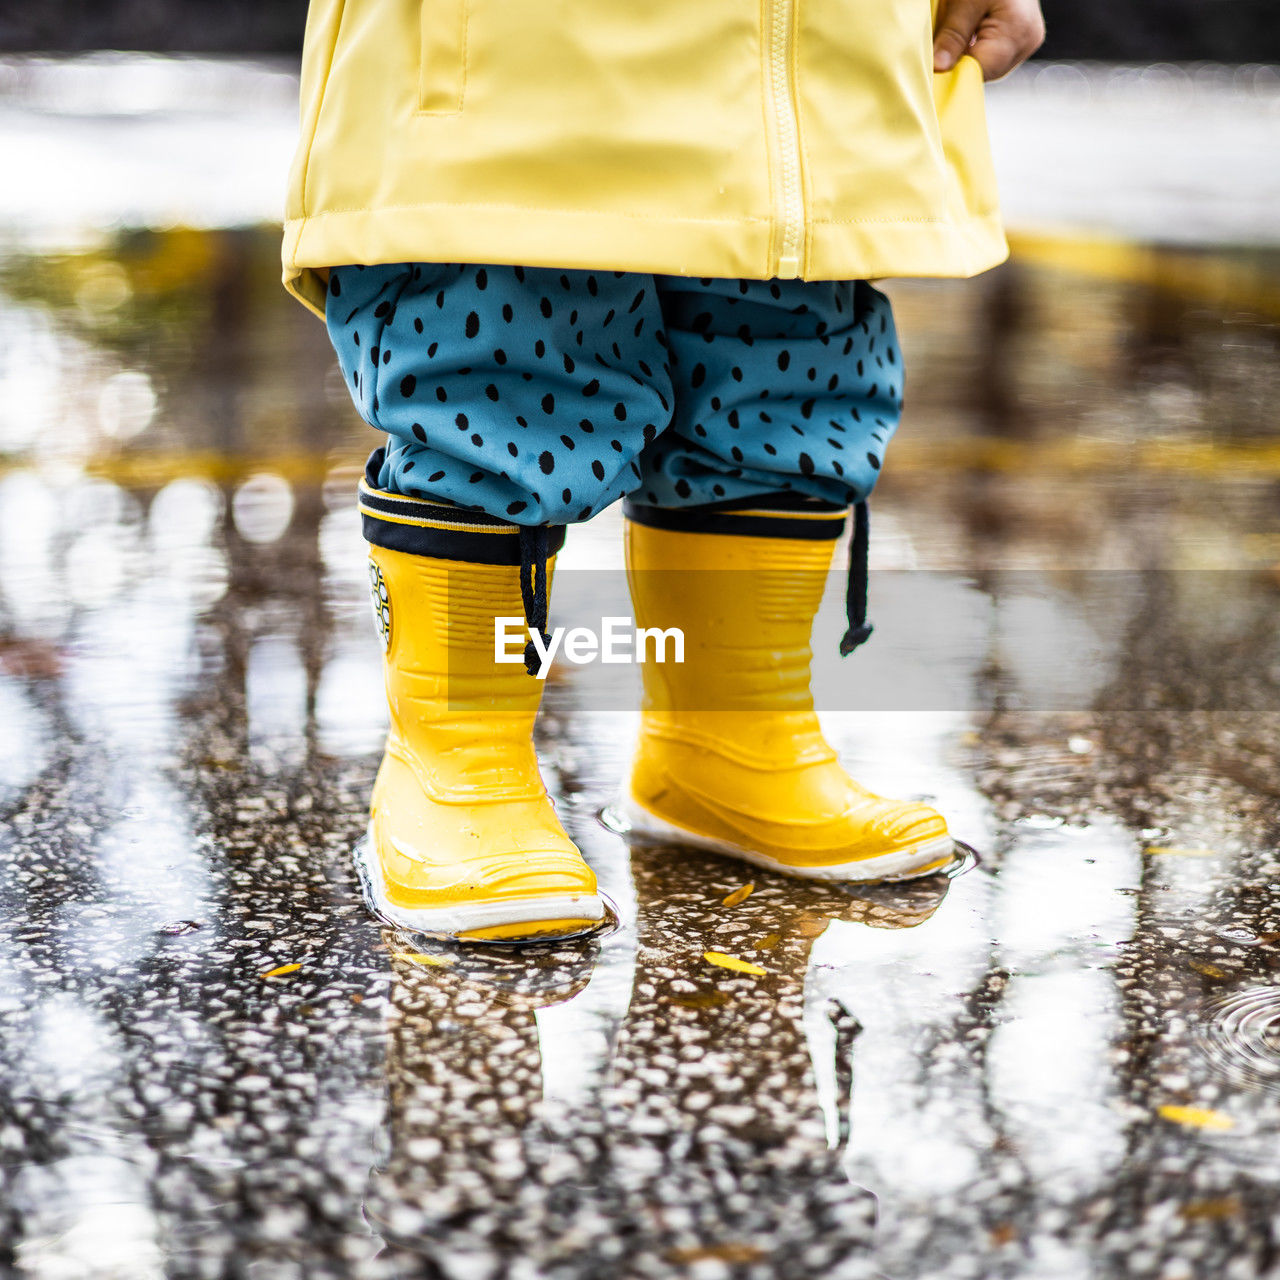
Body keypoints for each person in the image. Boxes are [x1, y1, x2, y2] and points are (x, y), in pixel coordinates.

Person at [282, 0, 1046, 941]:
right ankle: (458, 761)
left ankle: (728, 743)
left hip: (825, 49)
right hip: (518, 46)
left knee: (785, 363)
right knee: (498, 353)